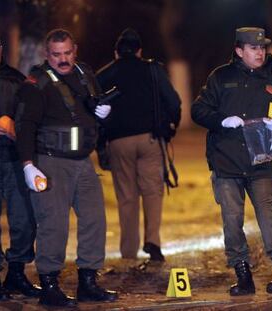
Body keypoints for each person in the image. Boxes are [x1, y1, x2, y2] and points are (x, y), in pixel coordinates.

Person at [191, 27, 272, 296]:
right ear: (240, 51)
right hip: (226, 161)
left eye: (263, 47)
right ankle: (242, 275)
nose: (260, 52)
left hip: (262, 160)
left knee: (269, 216)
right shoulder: (221, 77)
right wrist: (221, 121)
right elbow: (198, 109)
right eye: (254, 48)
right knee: (232, 219)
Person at [15, 29, 118, 307]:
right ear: (46, 55)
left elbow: (91, 104)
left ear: (76, 50)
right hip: (50, 161)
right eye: (57, 54)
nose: (63, 59)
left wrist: (102, 113)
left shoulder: (84, 73)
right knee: (53, 224)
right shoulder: (36, 84)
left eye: (68, 53)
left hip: (83, 161)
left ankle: (88, 282)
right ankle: (49, 286)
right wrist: (28, 165)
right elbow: (24, 127)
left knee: (95, 220)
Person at [96, 28, 181, 263]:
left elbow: (92, 108)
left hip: (118, 142)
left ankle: (128, 252)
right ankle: (153, 241)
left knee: (127, 197)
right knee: (153, 191)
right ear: (139, 51)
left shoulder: (104, 75)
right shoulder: (153, 70)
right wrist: (173, 125)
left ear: (116, 53)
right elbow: (173, 101)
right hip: (149, 139)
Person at [0, 36, 41, 300]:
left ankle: (16, 273)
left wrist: (16, 127)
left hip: (14, 159)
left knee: (24, 219)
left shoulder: (17, 80)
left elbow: (29, 116)